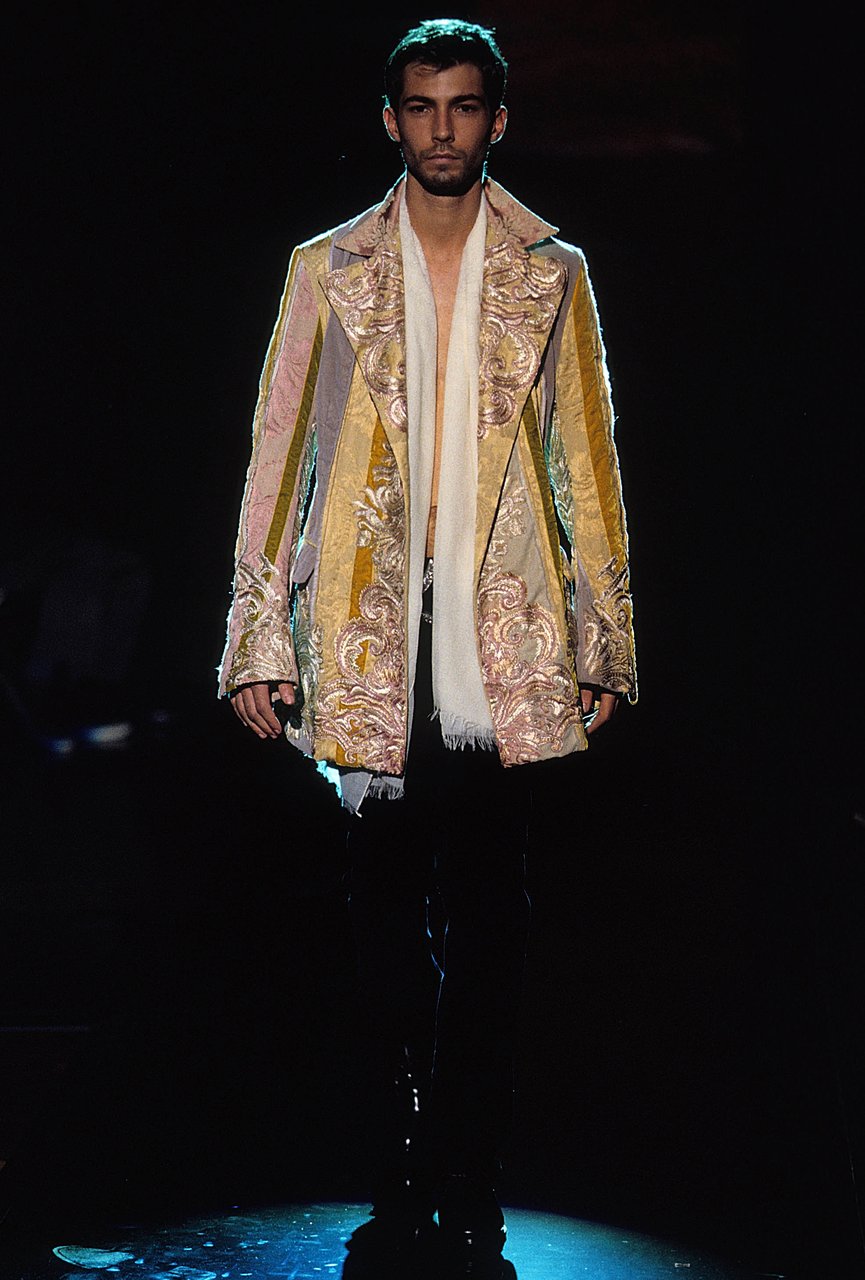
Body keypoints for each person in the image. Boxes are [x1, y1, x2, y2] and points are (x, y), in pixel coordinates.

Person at [218, 18, 637, 1275]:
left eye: (463, 106)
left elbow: (586, 459)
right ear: (391, 119)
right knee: (381, 911)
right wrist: (253, 635)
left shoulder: (552, 271)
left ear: (496, 120)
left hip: (502, 629)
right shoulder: (326, 268)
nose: (441, 128)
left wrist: (604, 635)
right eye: (421, 106)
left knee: (495, 911)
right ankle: (401, 1145)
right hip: (366, 626)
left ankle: (470, 1155)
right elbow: (277, 450)